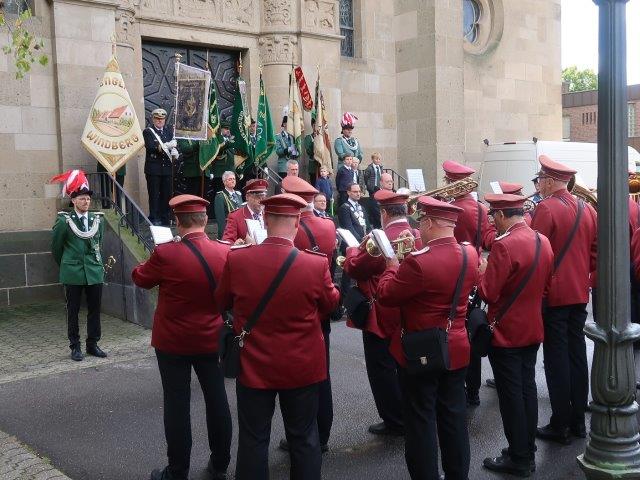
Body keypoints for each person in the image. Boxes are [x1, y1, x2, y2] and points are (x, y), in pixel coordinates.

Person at [215, 193, 340, 480]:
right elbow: (331, 304)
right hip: (301, 364)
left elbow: (220, 301)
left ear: (265, 220)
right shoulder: (315, 264)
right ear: (297, 222)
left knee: (253, 438)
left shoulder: (239, 259)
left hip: (254, 364)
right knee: (304, 438)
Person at [376, 195, 478, 480]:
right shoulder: (469, 254)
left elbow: (386, 295)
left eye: (421, 221)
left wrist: (392, 265)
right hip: (456, 346)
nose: (419, 226)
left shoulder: (418, 263)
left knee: (420, 421)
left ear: (430, 223)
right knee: (454, 418)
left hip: (422, 350)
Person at [132, 195, 232, 480]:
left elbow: (141, 278)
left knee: (176, 404)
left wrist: (150, 258)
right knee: (217, 399)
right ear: (205, 220)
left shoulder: (166, 253)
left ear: (177, 222)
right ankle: (220, 465)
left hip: (173, 341)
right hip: (211, 338)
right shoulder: (224, 251)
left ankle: (177, 471)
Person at [478, 193, 554, 477]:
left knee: (511, 397)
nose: (493, 222)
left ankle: (520, 458)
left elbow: (488, 293)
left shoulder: (504, 245)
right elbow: (547, 287)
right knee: (526, 390)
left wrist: (482, 271)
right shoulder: (543, 240)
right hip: (532, 327)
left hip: (506, 330)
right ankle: (526, 448)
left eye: (493, 217)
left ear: (500, 215)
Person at [343, 189, 420, 437]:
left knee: (381, 369)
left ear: (384, 213)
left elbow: (355, 268)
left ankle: (394, 420)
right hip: (408, 310)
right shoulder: (417, 233)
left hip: (382, 310)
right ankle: (409, 413)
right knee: (405, 365)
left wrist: (352, 250)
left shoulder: (382, 238)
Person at [531, 155, 597, 444]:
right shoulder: (587, 208)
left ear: (549, 181)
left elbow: (536, 252)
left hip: (554, 295)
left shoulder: (546, 208)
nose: (539, 184)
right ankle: (578, 421)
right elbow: (594, 253)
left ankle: (560, 423)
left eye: (541, 180)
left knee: (556, 359)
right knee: (577, 355)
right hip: (579, 292)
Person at [279, 176, 338, 452]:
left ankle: (302, 435)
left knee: (298, 379)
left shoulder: (294, 230)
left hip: (295, 309)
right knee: (322, 372)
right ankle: (322, 433)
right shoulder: (328, 225)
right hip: (321, 305)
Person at [442, 159, 495, 406]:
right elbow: (485, 241)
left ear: (452, 182)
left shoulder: (449, 209)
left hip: (453, 272)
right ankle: (473, 389)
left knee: (452, 328)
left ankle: (455, 383)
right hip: (473, 270)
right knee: (471, 330)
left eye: (447, 180)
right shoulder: (481, 209)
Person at [50, 171, 107, 362]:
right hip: (73, 272)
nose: (86, 202)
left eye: (88, 199)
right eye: (82, 198)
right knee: (73, 311)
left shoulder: (97, 220)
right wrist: (67, 264)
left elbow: (99, 244)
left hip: (94, 271)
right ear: (73, 200)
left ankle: (93, 344)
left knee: (95, 309)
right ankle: (75, 346)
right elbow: (56, 248)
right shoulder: (64, 221)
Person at [143, 108, 178, 226]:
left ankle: (165, 218)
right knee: (154, 195)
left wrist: (175, 153)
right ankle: (154, 218)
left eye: (162, 119)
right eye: (157, 119)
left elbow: (173, 147)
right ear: (153, 119)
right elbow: (151, 147)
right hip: (153, 169)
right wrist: (167, 145)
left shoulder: (168, 131)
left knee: (166, 195)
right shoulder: (148, 132)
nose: (159, 121)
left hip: (166, 169)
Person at [221, 178, 267, 244]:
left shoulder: (270, 215)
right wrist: (236, 245)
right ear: (247, 197)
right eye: (257, 196)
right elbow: (227, 242)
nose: (261, 200)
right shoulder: (235, 217)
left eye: (263, 196)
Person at [213, 171, 242, 239]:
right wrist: (224, 236)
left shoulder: (238, 194)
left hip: (239, 230)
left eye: (234, 179)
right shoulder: (220, 196)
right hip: (229, 231)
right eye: (230, 179)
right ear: (224, 182)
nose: (233, 181)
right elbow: (221, 219)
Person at [210, 120, 236, 194]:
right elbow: (218, 150)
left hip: (230, 172)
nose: (228, 131)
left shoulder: (229, 139)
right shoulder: (217, 139)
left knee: (230, 193)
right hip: (219, 173)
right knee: (220, 193)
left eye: (229, 129)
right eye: (226, 128)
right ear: (220, 129)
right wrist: (229, 142)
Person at [364, 153, 384, 228]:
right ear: (372, 159)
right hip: (373, 188)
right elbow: (366, 178)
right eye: (376, 159)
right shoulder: (369, 168)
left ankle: (379, 223)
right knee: (374, 205)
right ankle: (376, 223)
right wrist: (369, 186)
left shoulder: (380, 168)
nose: (378, 160)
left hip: (379, 188)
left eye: (379, 159)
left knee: (378, 205)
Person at [304, 117, 319, 185]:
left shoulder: (323, 138)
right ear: (313, 126)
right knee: (314, 185)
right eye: (316, 125)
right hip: (313, 167)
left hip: (322, 168)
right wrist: (315, 141)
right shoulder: (308, 137)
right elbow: (309, 152)